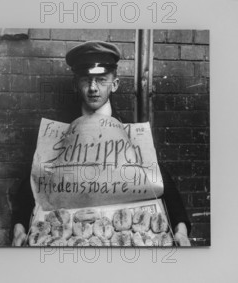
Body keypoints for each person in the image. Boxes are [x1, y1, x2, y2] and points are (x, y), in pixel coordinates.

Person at [11, 41, 191, 246]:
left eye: (102, 80)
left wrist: (180, 228)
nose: (93, 88)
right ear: (75, 84)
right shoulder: (61, 135)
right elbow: (38, 177)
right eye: (86, 80)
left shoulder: (129, 133)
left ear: (114, 84)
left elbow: (157, 175)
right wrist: (19, 226)